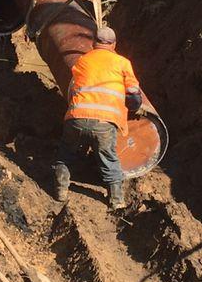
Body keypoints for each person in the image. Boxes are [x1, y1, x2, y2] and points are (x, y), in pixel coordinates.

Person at [54, 26, 144, 212]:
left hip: (77, 117)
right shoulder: (123, 63)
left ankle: (60, 191)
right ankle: (117, 201)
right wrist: (133, 107)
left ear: (94, 43)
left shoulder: (81, 60)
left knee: (66, 154)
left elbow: (74, 87)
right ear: (114, 44)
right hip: (104, 122)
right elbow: (134, 94)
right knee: (108, 158)